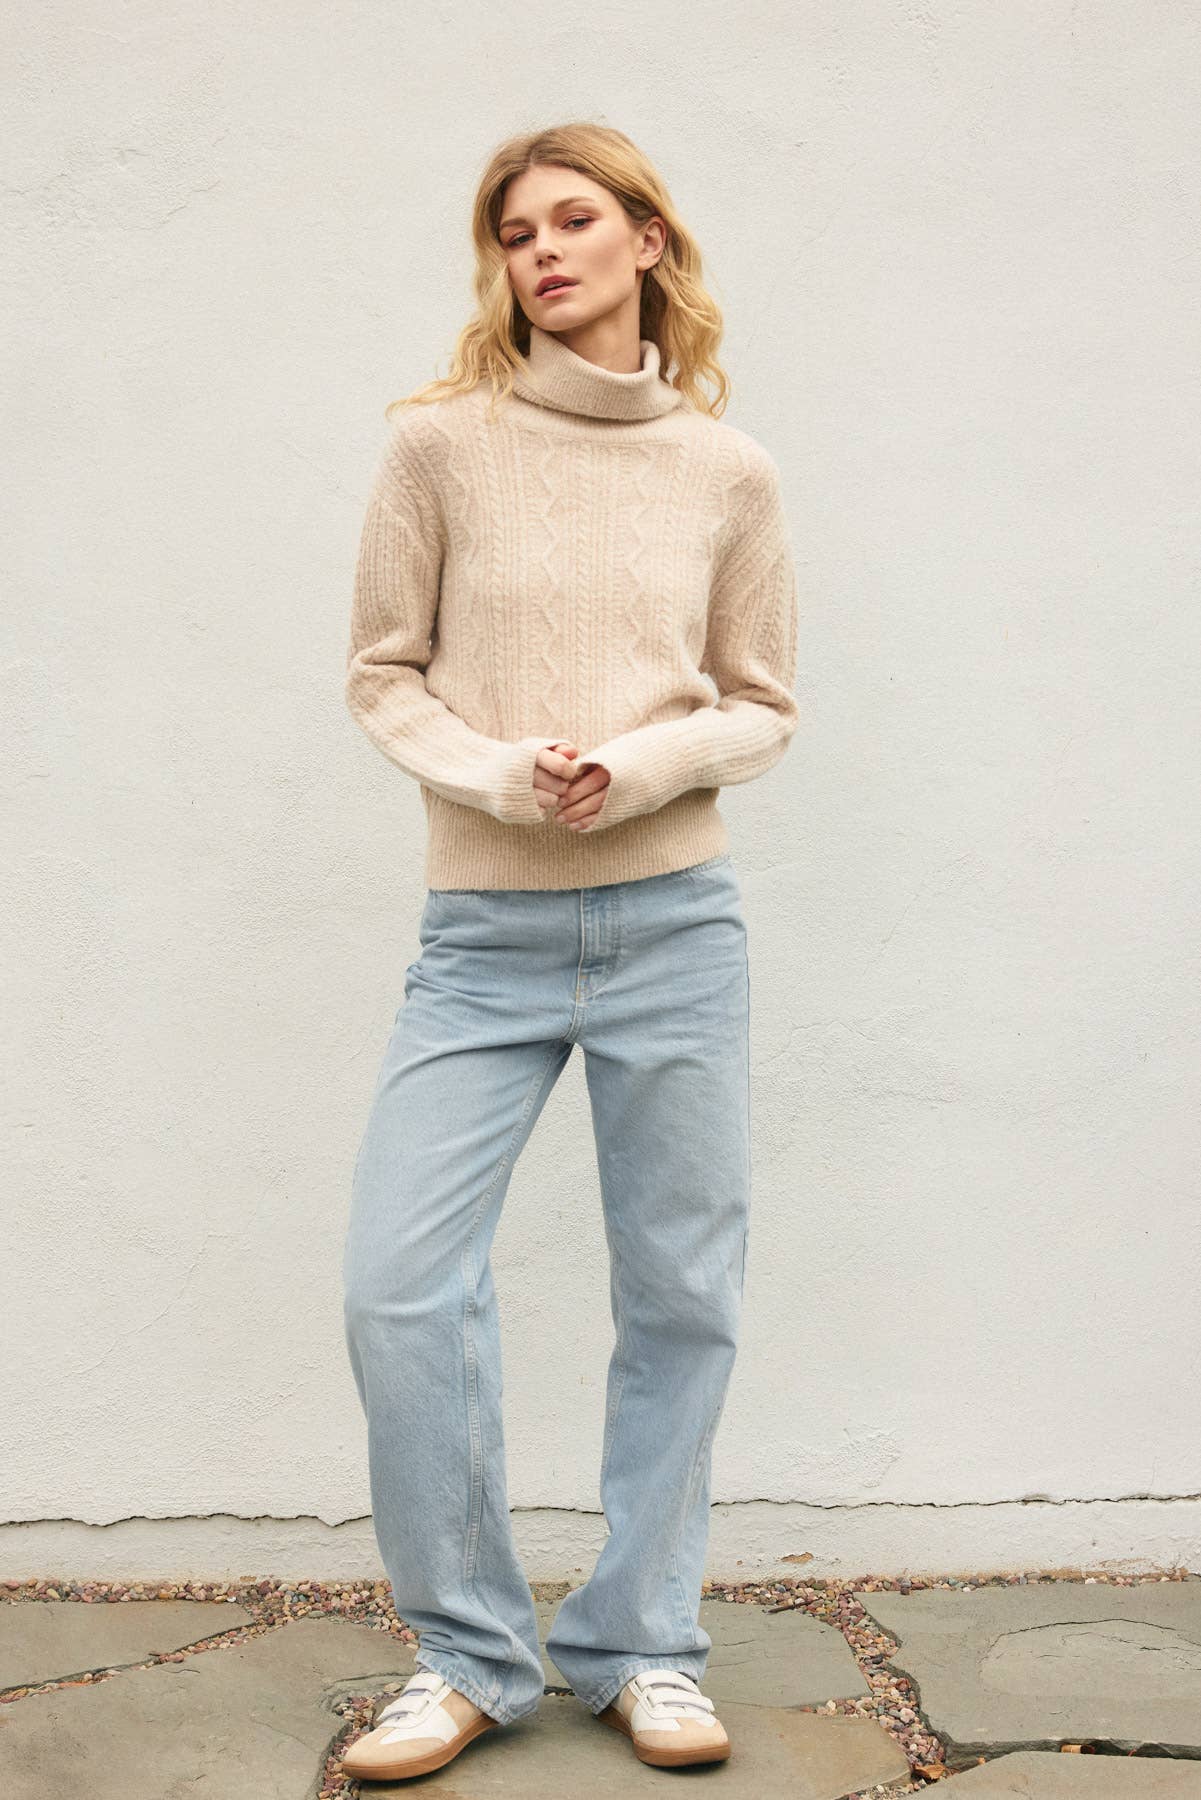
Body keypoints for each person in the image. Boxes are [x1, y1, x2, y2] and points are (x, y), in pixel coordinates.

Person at [338, 120, 799, 1783]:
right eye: (514, 231)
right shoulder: (438, 447)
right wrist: (496, 775)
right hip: (482, 935)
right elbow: (383, 671)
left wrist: (644, 763)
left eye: (573, 219)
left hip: (675, 924)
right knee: (399, 1286)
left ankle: (641, 1643)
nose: (540, 250)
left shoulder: (726, 472)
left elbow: (761, 704)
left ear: (646, 242)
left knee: (681, 1291)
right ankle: (466, 1652)